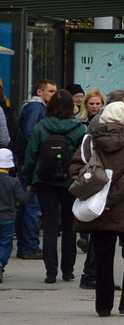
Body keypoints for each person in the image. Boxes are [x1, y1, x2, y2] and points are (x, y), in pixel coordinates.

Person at [71, 101, 124, 316]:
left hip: (97, 206)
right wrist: (112, 198)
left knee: (103, 255)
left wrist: (97, 195)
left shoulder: (90, 140)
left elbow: (75, 168)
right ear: (122, 117)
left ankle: (103, 306)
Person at [23, 89, 86, 283]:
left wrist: (29, 179)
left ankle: (51, 272)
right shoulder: (78, 129)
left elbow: (31, 154)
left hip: (44, 181)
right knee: (69, 226)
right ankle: (68, 270)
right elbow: (84, 157)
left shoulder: (41, 127)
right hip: (69, 181)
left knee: (50, 226)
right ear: (71, 108)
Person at [80, 88, 124, 289]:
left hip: (102, 184)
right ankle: (92, 276)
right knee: (103, 236)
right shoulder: (120, 133)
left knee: (100, 235)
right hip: (108, 186)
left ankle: (93, 276)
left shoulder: (98, 127)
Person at [13, 79, 56, 260]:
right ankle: (30, 245)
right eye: (51, 91)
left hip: (26, 161)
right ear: (40, 92)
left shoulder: (31, 108)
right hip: (31, 162)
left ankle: (26, 245)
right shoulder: (37, 108)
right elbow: (32, 133)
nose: (54, 95)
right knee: (32, 204)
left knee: (27, 203)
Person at [0, 147, 32, 284]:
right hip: (7, 219)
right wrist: (31, 190)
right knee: (6, 244)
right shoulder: (14, 182)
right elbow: (24, 199)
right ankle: (0, 265)